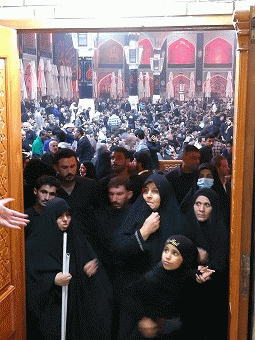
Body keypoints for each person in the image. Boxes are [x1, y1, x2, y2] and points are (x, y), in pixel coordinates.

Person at [26, 197, 113, 340]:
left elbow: (87, 260)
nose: (66, 219)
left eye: (68, 215)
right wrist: (52, 279)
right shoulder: (35, 244)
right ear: (50, 217)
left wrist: (87, 269)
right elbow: (30, 277)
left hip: (74, 306)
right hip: (51, 310)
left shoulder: (75, 238)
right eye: (60, 216)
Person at [118, 235, 214, 340]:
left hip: (178, 331)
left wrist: (199, 278)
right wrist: (142, 318)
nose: (167, 256)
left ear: (185, 258)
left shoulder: (183, 272)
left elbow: (186, 276)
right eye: (166, 250)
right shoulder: (152, 278)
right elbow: (128, 296)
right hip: (155, 332)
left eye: (175, 253)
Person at [113, 173, 194, 287]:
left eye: (155, 191)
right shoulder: (136, 214)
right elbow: (119, 250)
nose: (148, 196)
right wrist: (143, 232)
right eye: (146, 191)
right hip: (136, 285)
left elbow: (184, 259)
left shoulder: (178, 223)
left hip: (167, 286)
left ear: (164, 194)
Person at [184, 188, 229, 340]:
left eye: (207, 205)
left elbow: (222, 263)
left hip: (214, 296)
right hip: (190, 295)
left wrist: (208, 268)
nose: (201, 209)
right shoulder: (185, 227)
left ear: (213, 207)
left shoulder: (221, 230)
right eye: (197, 204)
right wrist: (194, 253)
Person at [25, 175, 61, 239]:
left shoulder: (58, 218)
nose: (47, 198)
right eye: (44, 192)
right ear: (35, 191)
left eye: (52, 194)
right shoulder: (25, 216)